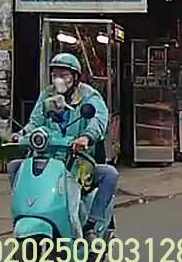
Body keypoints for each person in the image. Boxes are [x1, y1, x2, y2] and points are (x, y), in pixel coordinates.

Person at [8, 53, 119, 238]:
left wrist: (86, 137)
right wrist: (22, 135)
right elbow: (35, 120)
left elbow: (99, 119)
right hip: (48, 160)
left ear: (75, 77)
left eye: (64, 75)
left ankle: (91, 224)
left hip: (78, 163)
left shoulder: (89, 96)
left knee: (109, 174)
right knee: (15, 168)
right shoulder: (47, 95)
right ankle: (29, 211)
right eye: (55, 75)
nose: (58, 79)